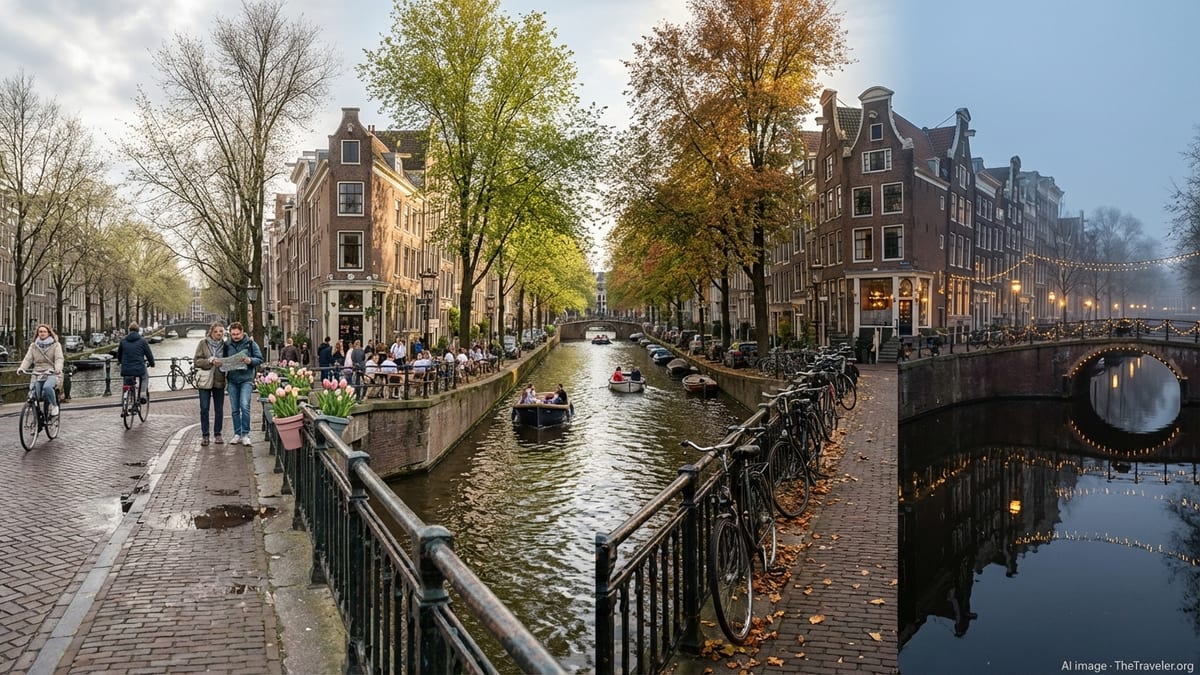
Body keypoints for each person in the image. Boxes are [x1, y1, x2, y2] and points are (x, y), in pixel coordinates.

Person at [222, 321, 262, 447]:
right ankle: (237, 434)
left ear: (242, 332)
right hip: (232, 380)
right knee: (234, 409)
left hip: (246, 379)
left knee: (244, 406)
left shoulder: (250, 343)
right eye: (233, 334)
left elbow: (259, 358)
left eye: (237, 334)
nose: (235, 337)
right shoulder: (226, 345)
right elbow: (222, 360)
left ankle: (245, 434)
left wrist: (249, 360)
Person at [17, 323, 64, 417]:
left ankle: (54, 406)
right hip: (37, 372)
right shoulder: (33, 346)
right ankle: (37, 417)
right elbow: (28, 359)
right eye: (40, 331)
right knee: (34, 394)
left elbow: (59, 358)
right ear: (37, 333)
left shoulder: (56, 345)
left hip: (51, 372)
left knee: (47, 387)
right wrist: (22, 368)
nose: (42, 333)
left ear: (49, 333)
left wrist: (58, 368)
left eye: (44, 332)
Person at [193, 322, 227, 446]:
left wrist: (223, 363)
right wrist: (209, 361)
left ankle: (218, 434)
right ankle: (205, 435)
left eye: (221, 331)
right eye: (216, 331)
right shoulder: (203, 344)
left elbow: (229, 361)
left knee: (219, 409)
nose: (219, 334)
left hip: (219, 380)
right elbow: (196, 361)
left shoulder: (226, 346)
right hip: (205, 381)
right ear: (211, 332)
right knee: (204, 408)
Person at [116, 322, 156, 407]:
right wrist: (152, 363)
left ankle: (124, 400)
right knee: (145, 376)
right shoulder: (142, 341)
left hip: (126, 368)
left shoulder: (123, 341)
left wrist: (119, 361)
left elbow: (119, 355)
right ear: (138, 331)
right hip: (139, 368)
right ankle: (142, 394)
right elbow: (149, 354)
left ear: (129, 330)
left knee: (127, 381)